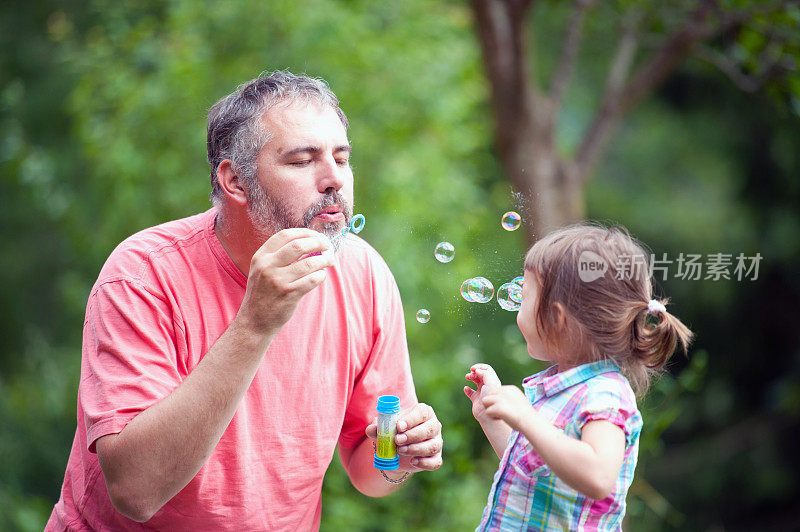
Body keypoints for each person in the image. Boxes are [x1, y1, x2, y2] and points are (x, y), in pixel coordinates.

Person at [47, 71, 443, 531]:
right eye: (301, 161)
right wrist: (255, 324)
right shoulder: (142, 275)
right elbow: (136, 492)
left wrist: (399, 458)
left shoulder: (363, 274)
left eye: (342, 157)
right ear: (235, 181)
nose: (334, 179)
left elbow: (368, 470)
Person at [464, 223, 693, 530]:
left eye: (524, 296)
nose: (517, 305)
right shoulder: (556, 391)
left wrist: (525, 418)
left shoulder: (605, 394)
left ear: (557, 318)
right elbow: (535, 469)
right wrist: (493, 421)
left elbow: (598, 476)